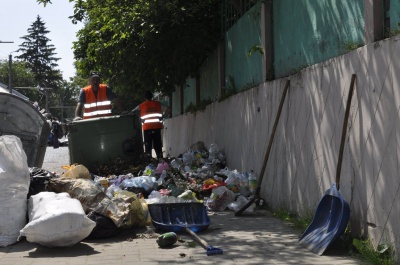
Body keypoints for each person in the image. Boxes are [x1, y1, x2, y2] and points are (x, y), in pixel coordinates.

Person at [132, 90, 171, 160]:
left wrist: (140, 120)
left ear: (144, 98)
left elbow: (133, 113)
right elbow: (168, 109)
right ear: (152, 97)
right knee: (158, 145)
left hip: (147, 128)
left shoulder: (141, 106)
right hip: (156, 127)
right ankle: (160, 159)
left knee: (148, 146)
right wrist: (163, 116)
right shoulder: (158, 104)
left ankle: (148, 161)